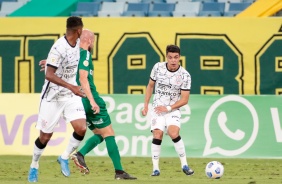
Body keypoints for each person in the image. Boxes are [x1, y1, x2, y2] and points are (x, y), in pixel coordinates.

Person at [70, 29, 137, 180]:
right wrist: (92, 101)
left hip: (77, 101)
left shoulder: (73, 55)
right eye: (92, 40)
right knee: (109, 134)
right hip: (89, 98)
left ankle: (80, 154)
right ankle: (119, 172)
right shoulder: (85, 54)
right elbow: (83, 78)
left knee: (99, 134)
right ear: (89, 41)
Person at [28, 16, 88, 182]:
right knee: (45, 137)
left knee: (81, 128)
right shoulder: (58, 47)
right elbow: (49, 74)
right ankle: (34, 165)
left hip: (70, 96)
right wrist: (72, 87)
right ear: (78, 30)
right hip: (53, 97)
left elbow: (66, 62)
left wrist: (51, 62)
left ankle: (64, 156)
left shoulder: (76, 44)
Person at [141, 45, 194, 177]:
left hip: (173, 109)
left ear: (179, 58)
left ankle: (185, 165)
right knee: (157, 134)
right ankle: (155, 169)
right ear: (166, 57)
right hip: (158, 108)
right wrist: (146, 104)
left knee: (173, 132)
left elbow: (185, 99)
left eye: (176, 57)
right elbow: (150, 86)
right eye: (170, 57)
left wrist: (169, 108)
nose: (173, 60)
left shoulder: (185, 75)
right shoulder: (158, 68)